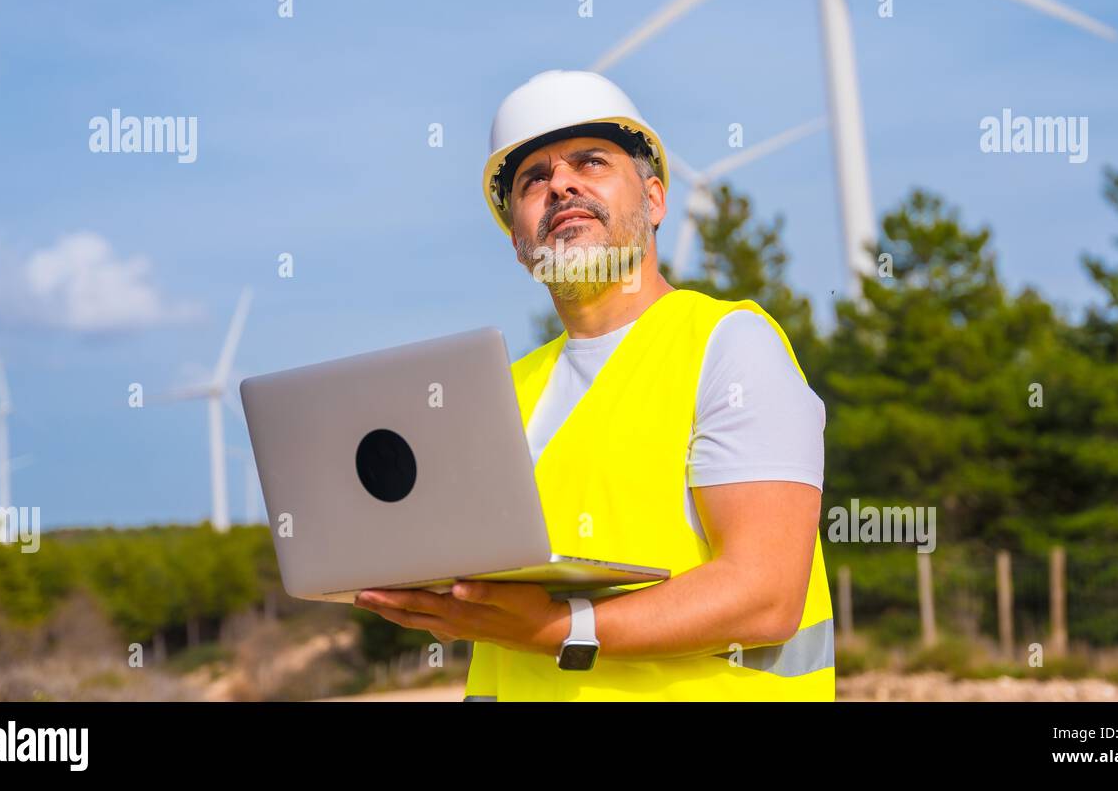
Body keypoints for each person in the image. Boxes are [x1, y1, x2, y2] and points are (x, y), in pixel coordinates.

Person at [354, 70, 835, 700]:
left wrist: (565, 627)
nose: (561, 186)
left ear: (656, 200)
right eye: (534, 180)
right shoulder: (497, 394)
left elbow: (765, 594)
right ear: (517, 238)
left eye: (591, 162)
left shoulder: (728, 345)